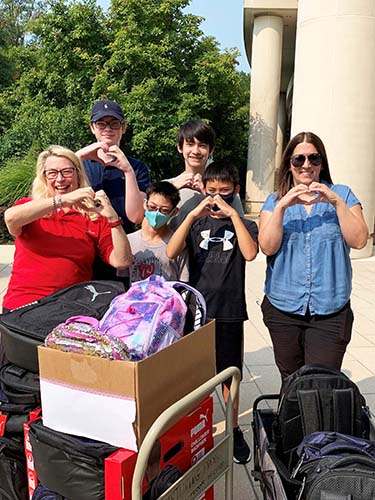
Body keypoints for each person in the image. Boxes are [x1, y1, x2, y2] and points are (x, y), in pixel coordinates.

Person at [166, 159, 259, 464]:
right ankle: (194, 427)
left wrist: (233, 215)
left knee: (229, 376)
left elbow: (249, 253)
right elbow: (171, 251)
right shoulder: (195, 220)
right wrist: (193, 212)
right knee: (194, 376)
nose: (217, 198)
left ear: (236, 191)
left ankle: (233, 430)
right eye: (211, 191)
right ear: (203, 189)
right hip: (198, 310)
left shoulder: (244, 223)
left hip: (230, 310)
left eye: (225, 192)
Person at [258, 131, 368, 380]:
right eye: (299, 159)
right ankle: (290, 421)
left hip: (330, 309)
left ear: (322, 162)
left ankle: (320, 420)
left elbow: (359, 240)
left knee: (323, 381)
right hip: (283, 307)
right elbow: (267, 246)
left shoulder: (343, 194)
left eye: (313, 158)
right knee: (291, 378)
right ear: (289, 163)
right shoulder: (275, 200)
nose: (306, 165)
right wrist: (283, 207)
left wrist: (336, 202)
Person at [2, 145, 132, 311]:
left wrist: (113, 218)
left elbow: (122, 261)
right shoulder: (29, 207)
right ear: (43, 178)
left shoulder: (94, 216)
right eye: (52, 173)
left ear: (78, 174)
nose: (60, 179)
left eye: (67, 172)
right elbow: (11, 218)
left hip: (71, 307)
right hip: (24, 305)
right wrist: (62, 200)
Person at [76, 99, 151, 233]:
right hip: (86, 238)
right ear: (92, 127)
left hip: (124, 238)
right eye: (101, 124)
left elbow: (136, 217)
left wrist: (128, 171)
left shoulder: (137, 167)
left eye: (114, 124)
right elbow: (50, 193)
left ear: (123, 127)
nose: (108, 129)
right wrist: (77, 157)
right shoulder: (79, 165)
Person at [166, 120, 244, 230]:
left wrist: (208, 193)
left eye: (202, 145)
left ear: (211, 150)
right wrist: (170, 190)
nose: (196, 151)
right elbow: (153, 227)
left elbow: (240, 226)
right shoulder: (166, 185)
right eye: (190, 144)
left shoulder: (225, 187)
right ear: (180, 147)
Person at [120, 181, 189, 284]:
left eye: (164, 210)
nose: (156, 213)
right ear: (145, 204)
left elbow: (183, 282)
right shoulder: (129, 240)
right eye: (152, 207)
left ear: (174, 212)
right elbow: (123, 279)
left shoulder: (177, 244)